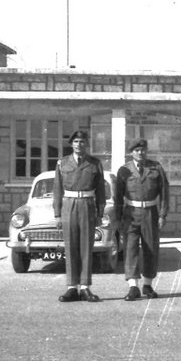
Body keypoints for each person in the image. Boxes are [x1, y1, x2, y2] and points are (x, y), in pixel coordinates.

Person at [113, 138, 170, 301]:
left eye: (143, 150)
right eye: (137, 150)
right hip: (130, 213)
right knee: (130, 249)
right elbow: (118, 196)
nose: (140, 153)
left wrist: (162, 215)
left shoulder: (156, 168)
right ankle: (133, 286)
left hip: (150, 212)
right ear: (131, 152)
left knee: (150, 248)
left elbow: (165, 193)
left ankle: (148, 284)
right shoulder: (124, 170)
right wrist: (118, 218)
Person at [53, 130, 106, 303]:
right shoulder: (62, 163)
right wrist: (58, 214)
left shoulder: (95, 164)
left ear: (86, 144)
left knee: (86, 247)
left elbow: (100, 191)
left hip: (87, 205)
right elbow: (57, 190)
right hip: (69, 205)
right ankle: (71, 288)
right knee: (70, 247)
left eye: (82, 141)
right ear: (71, 144)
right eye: (76, 141)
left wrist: (100, 212)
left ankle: (85, 287)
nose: (79, 144)